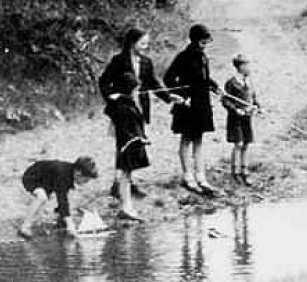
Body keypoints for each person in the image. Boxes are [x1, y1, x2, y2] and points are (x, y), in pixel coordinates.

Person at [98, 28, 184, 199]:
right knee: (124, 143)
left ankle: (127, 182)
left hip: (139, 108)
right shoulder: (119, 60)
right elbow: (104, 81)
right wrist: (112, 97)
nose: (145, 46)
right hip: (122, 108)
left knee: (134, 143)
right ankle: (120, 184)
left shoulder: (146, 62)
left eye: (147, 43)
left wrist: (168, 96)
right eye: (142, 43)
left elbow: (152, 82)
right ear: (132, 43)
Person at [164, 23, 221, 195]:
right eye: (202, 43)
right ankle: (188, 176)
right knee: (186, 139)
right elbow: (168, 79)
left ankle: (201, 177)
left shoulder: (203, 57)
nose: (204, 46)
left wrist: (215, 86)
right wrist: (181, 96)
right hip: (187, 104)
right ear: (194, 40)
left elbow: (204, 79)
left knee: (199, 140)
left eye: (206, 43)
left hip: (202, 103)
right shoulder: (183, 57)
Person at [104, 72, 150, 222]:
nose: (137, 92)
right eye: (135, 89)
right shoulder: (122, 107)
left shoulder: (123, 103)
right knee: (125, 174)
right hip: (127, 144)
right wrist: (137, 139)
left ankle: (127, 205)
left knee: (127, 174)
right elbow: (126, 129)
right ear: (128, 90)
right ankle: (125, 207)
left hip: (129, 143)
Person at [18, 156, 98, 239]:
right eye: (86, 180)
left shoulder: (69, 173)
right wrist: (70, 224)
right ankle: (24, 227)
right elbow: (61, 198)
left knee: (60, 198)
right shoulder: (62, 173)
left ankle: (61, 219)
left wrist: (65, 218)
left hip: (47, 180)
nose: (86, 183)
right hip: (32, 177)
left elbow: (63, 196)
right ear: (78, 174)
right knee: (42, 197)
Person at [222, 54, 261, 185]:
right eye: (247, 65)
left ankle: (245, 171)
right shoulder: (232, 82)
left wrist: (258, 107)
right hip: (235, 118)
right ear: (240, 67)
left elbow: (253, 97)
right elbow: (225, 100)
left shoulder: (249, 81)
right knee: (238, 143)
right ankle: (235, 172)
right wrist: (235, 110)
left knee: (246, 144)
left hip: (247, 117)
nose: (249, 68)